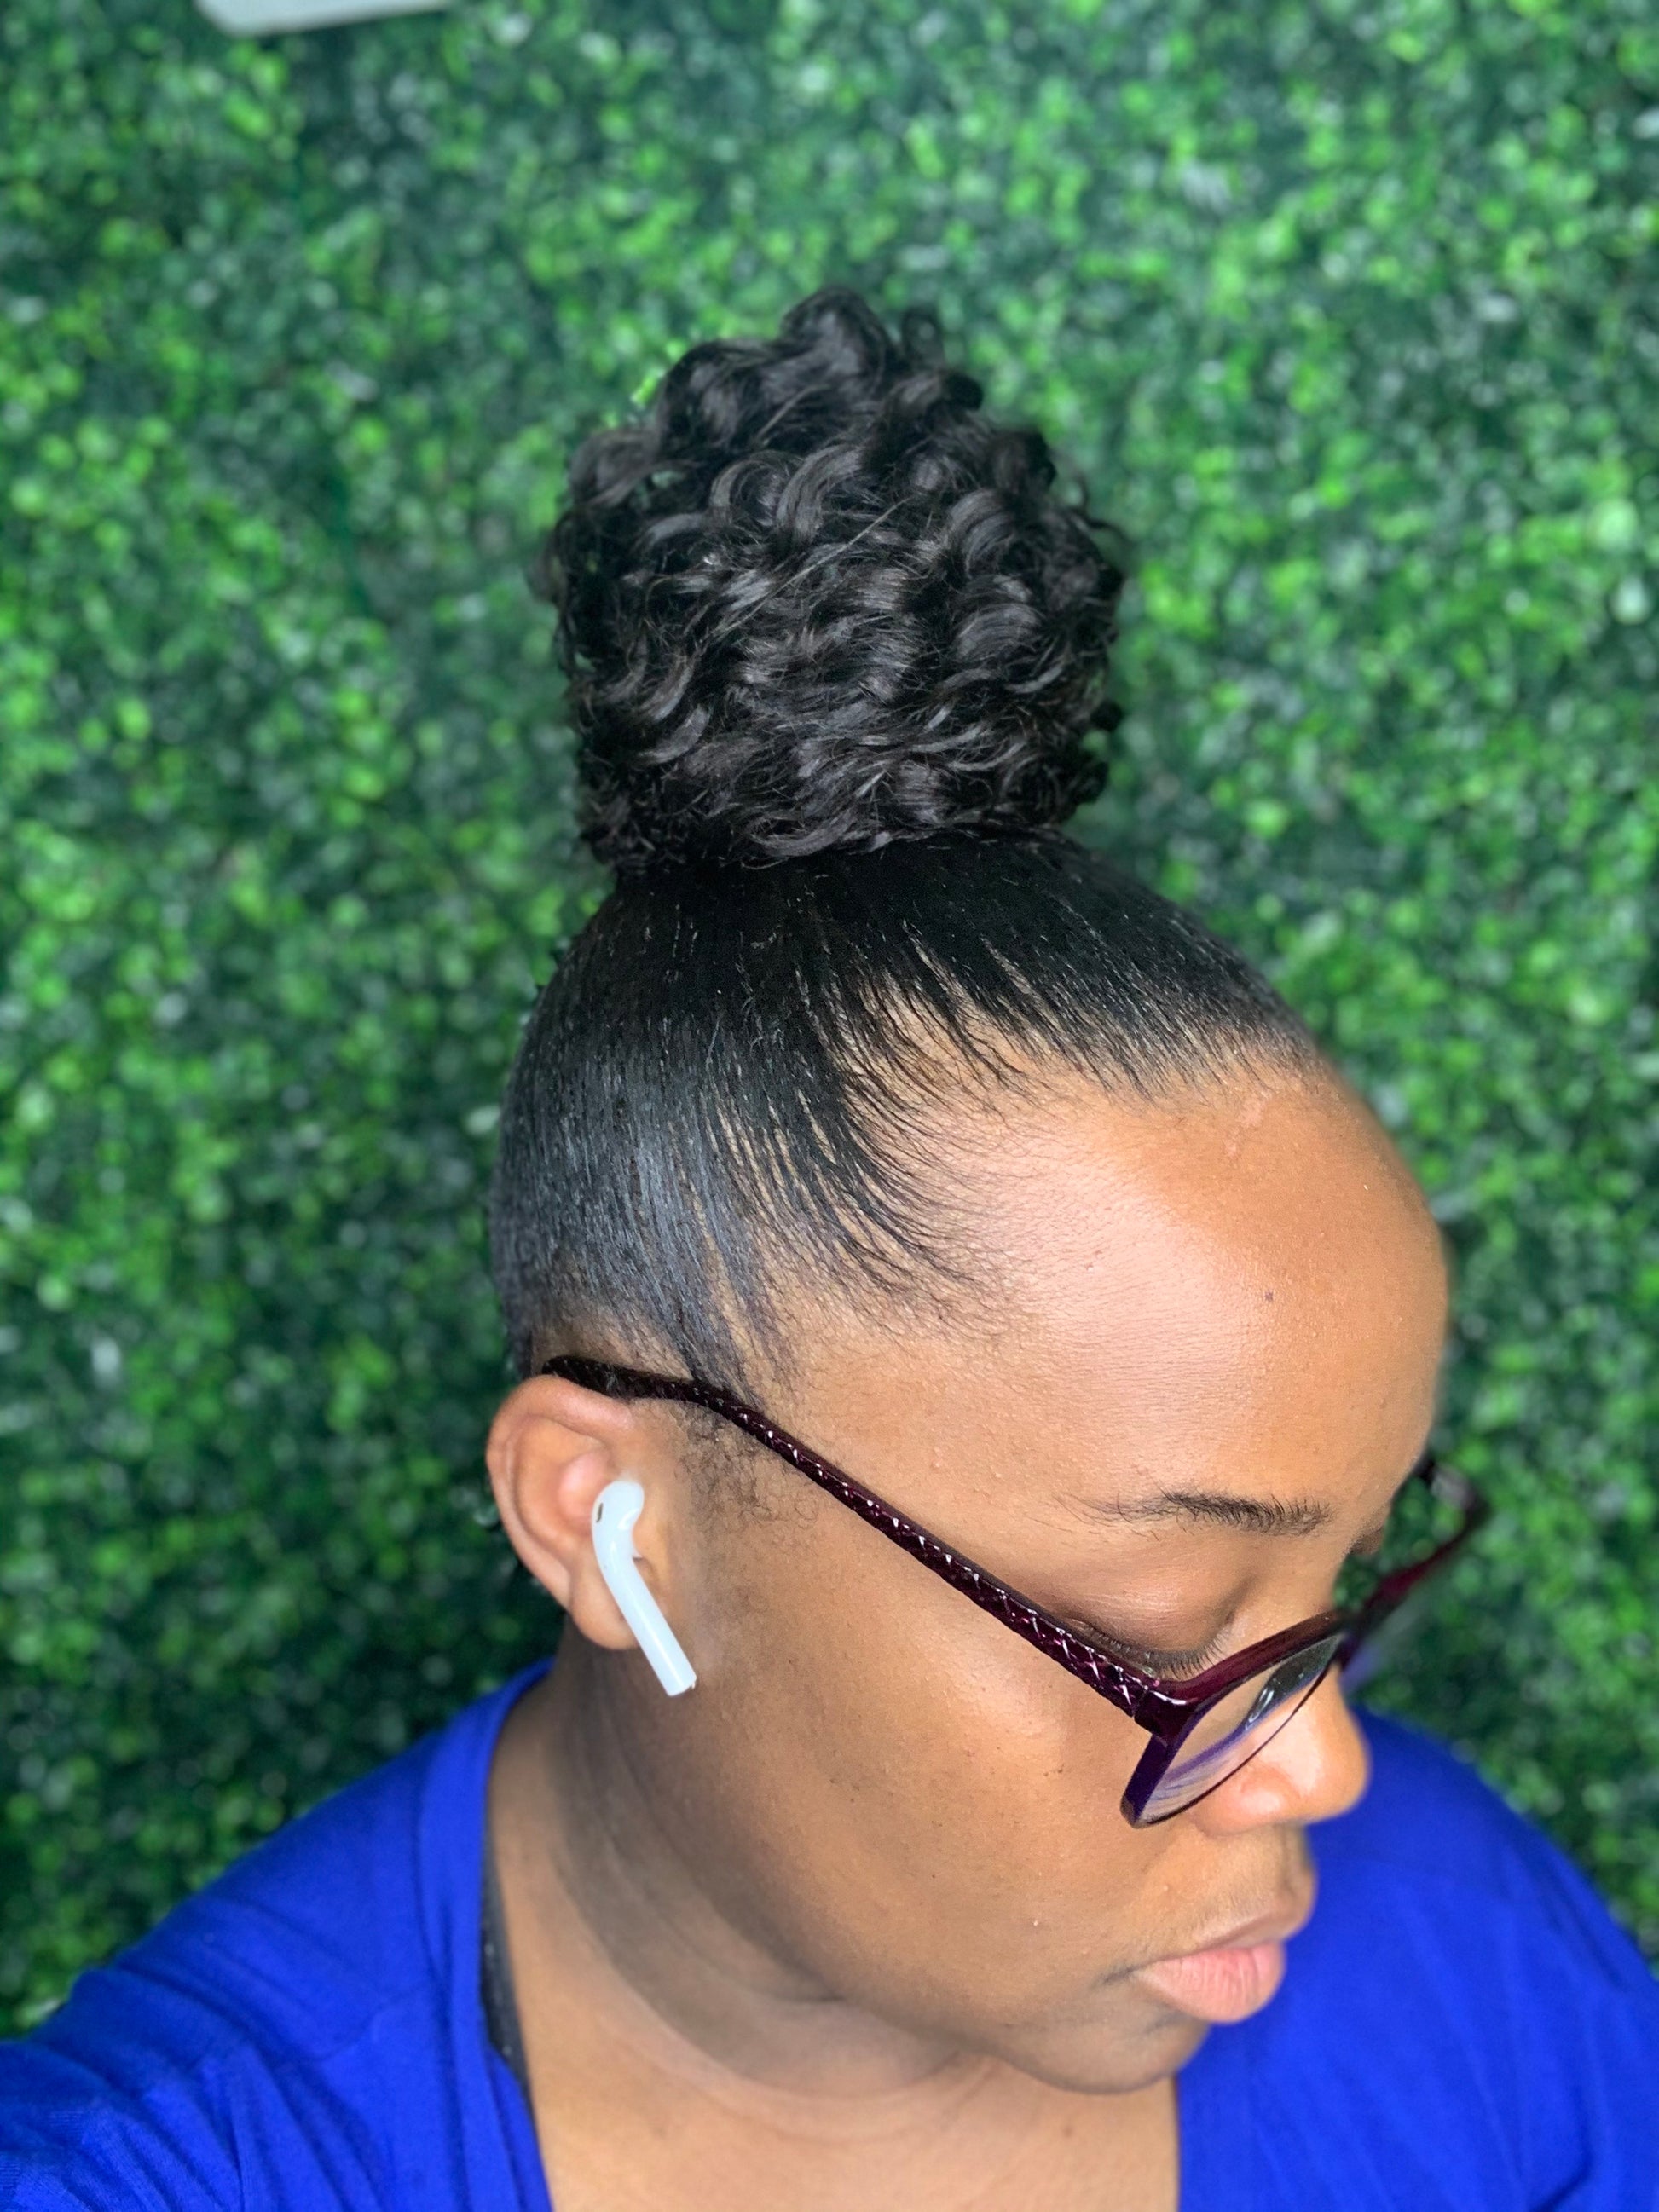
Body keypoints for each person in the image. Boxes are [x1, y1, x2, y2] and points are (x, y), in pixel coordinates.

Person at [1, 289, 1654, 2212]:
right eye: (1154, 1637)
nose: (1324, 1773)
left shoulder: (1480, 1984)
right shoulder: (158, 2173)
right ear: (613, 1519)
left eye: (1348, 1580)